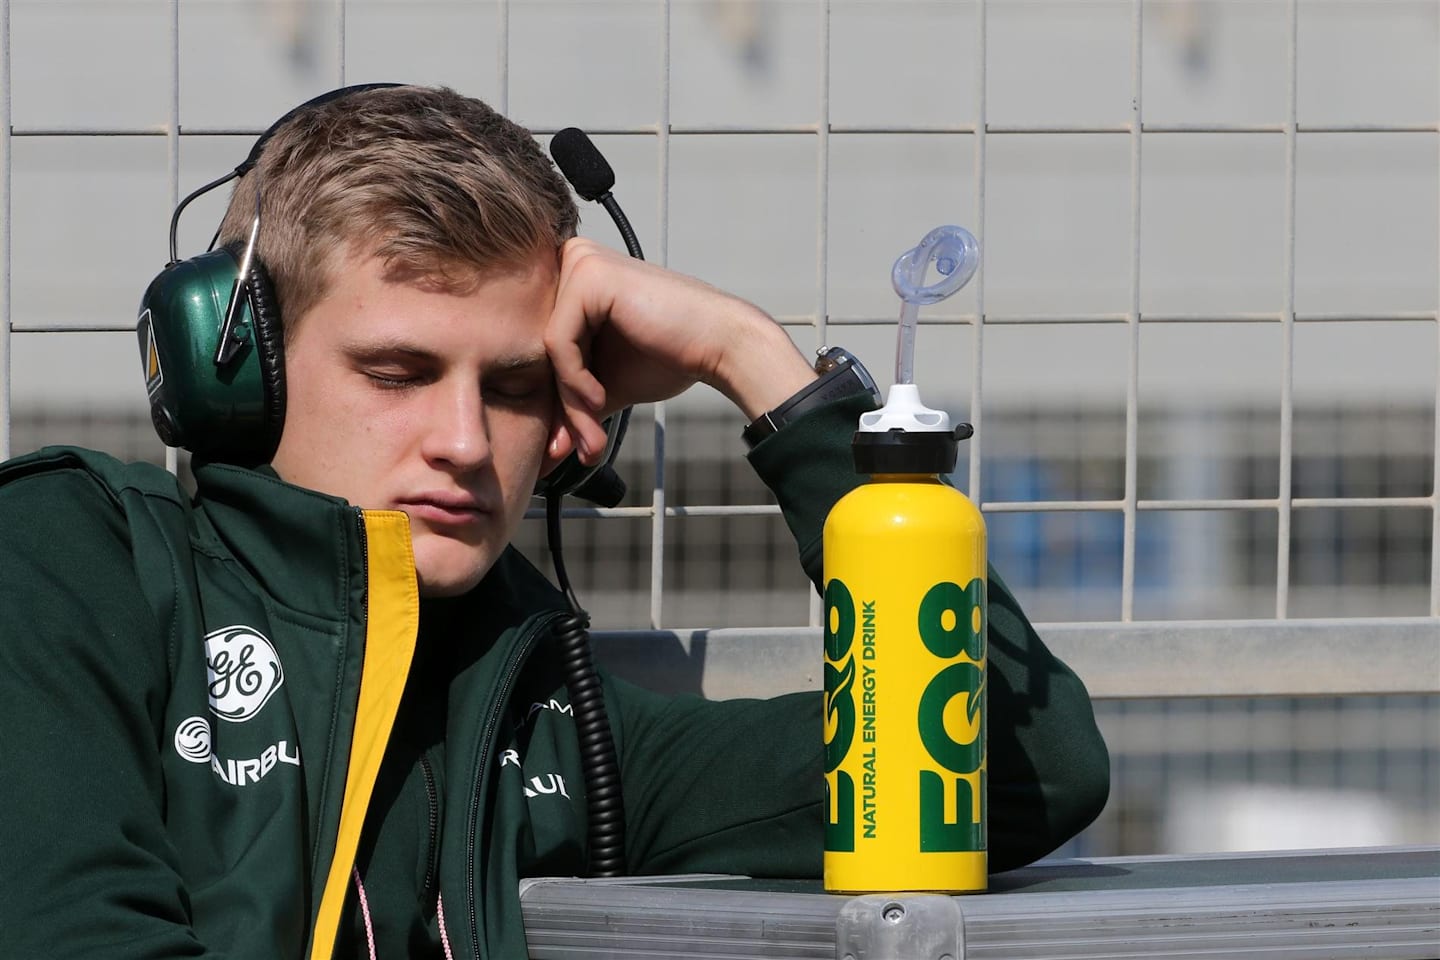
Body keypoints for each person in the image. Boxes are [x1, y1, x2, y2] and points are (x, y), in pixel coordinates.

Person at [0, 85, 1108, 960]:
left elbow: (1025, 769)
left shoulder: (551, 718)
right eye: (397, 371)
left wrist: (754, 362)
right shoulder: (69, 564)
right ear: (234, 371)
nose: (470, 444)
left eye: (519, 386)